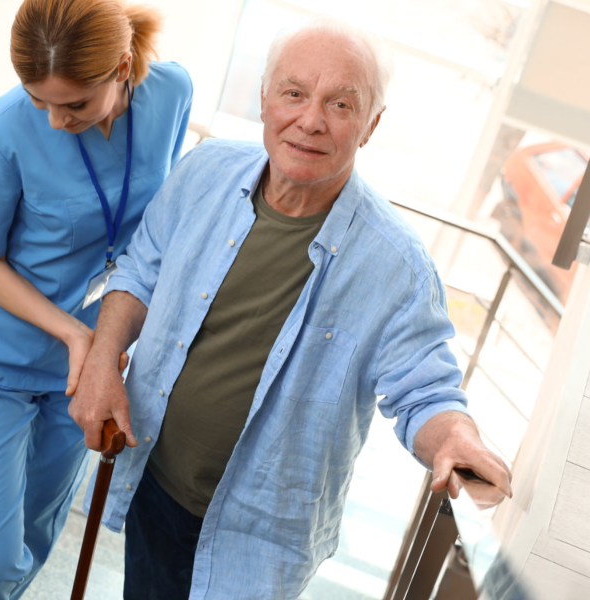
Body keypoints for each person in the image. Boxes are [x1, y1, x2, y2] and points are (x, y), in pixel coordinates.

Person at [67, 19, 512, 598]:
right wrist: (103, 361)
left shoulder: (396, 266)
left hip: (258, 536)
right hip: (156, 479)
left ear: (371, 125)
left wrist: (455, 438)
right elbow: (140, 272)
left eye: (341, 104)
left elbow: (424, 388)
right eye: (294, 93)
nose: (310, 120)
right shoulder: (204, 172)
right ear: (264, 98)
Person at [0, 0, 192, 597]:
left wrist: (109, 341)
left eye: (74, 103)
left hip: (82, 376)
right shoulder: (0, 131)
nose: (54, 120)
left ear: (124, 67)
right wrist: (78, 333)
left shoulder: (171, 92)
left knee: (31, 549)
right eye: (38, 100)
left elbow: (156, 226)